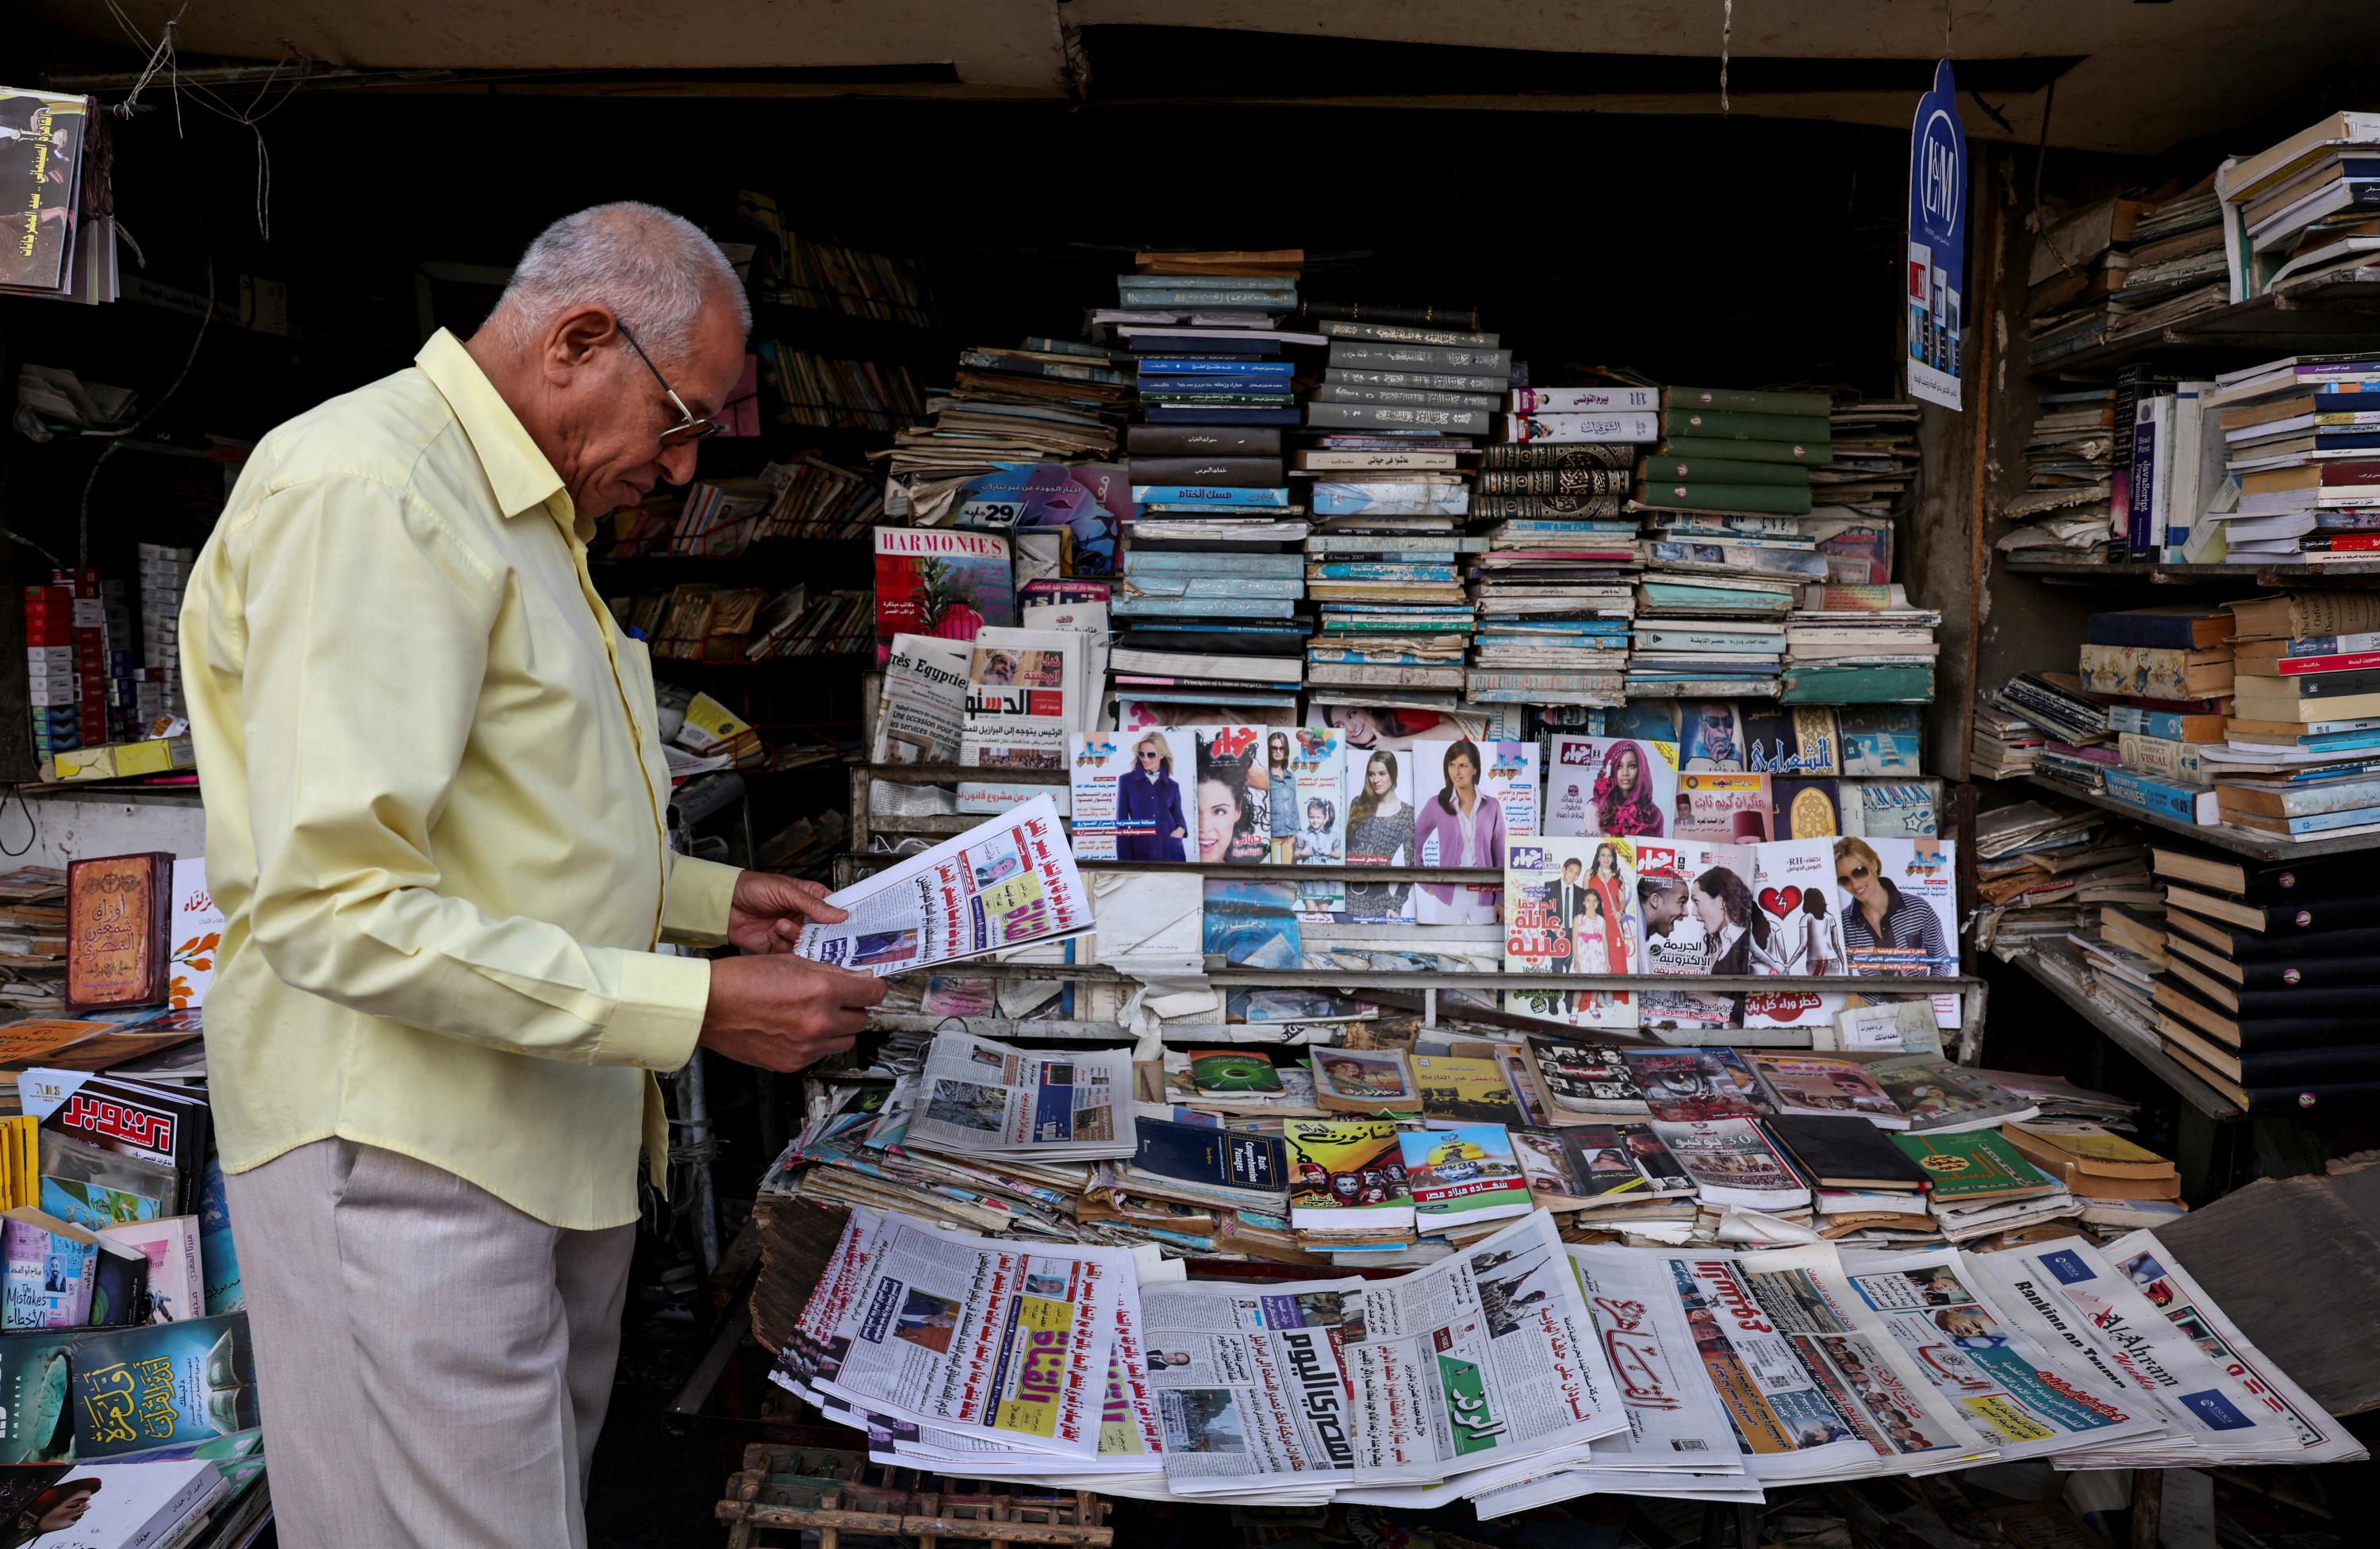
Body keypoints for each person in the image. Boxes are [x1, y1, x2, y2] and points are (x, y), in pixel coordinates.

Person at [179, 203, 889, 1548]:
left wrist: (699, 901)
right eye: (679, 419)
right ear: (577, 339)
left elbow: (499, 810)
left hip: (520, 1133)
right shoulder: (369, 493)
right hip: (405, 1144)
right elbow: (337, 909)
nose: (680, 471)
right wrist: (693, 1009)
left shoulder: (518, 503)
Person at [1414, 740, 1505, 923]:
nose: (1456, 772)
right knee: (1448, 951)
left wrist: (1501, 900)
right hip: (1450, 897)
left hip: (1485, 897)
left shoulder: (1492, 806)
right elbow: (1412, 842)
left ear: (1475, 769)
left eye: (1463, 765)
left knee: (1484, 951)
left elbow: (1500, 855)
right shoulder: (1437, 804)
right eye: (1452, 765)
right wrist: (1426, 884)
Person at [1834, 837, 1952, 977]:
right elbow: (1843, 976)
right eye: (1844, 880)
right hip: (1869, 999)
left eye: (1859, 872)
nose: (1855, 885)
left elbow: (1942, 963)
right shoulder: (1844, 923)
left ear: (1874, 864)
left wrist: (1922, 993)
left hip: (1920, 998)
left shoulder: (1919, 908)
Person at [1344, 750, 1414, 918]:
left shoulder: (1407, 814)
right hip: (1345, 902)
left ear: (1393, 774)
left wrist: (1396, 905)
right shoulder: (1358, 804)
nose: (1376, 780)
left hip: (1379, 905)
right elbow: (1345, 849)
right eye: (1371, 774)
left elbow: (1412, 865)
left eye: (1382, 774)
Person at [1195, 735, 1270, 864]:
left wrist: (1247, 767)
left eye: (1219, 811)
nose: (1204, 827)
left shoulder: (1262, 862)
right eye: (1195, 810)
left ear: (1238, 810)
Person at [1115, 732, 1188, 862]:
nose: (1145, 759)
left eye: (1151, 754)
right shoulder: (1126, 781)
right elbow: (1122, 824)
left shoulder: (1173, 786)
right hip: (1139, 851)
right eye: (1141, 754)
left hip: (1170, 850)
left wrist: (1180, 830)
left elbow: (1179, 817)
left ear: (1162, 755)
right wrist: (1124, 862)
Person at [1692, 866, 1771, 975]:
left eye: (1696, 902)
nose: (1693, 912)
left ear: (1721, 901)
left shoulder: (1745, 942)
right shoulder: (1722, 944)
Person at [1591, 739, 1664, 837]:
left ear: (1641, 769)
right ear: (1612, 770)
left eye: (1632, 766)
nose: (1625, 773)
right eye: (1619, 767)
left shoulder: (1654, 815)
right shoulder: (1596, 808)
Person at [1585, 843, 1634, 973]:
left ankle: (1618, 990)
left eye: (1609, 856)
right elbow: (1583, 898)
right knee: (1596, 960)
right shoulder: (1590, 874)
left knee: (1616, 960)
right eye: (1603, 855)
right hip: (1594, 921)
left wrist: (1620, 912)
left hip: (1613, 921)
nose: (1606, 859)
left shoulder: (1619, 878)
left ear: (1613, 859)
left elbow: (1622, 900)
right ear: (1598, 857)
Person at [1266, 732, 1299, 862]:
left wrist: (1299, 833)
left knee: (1289, 875)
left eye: (1281, 748)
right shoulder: (1264, 777)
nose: (1278, 752)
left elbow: (1294, 806)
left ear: (1286, 750)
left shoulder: (1291, 777)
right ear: (1269, 750)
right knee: (1273, 875)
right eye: (1274, 748)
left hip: (1291, 834)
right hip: (1273, 835)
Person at [1295, 796, 1342, 863]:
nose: (1315, 820)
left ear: (1325, 817)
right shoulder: (1302, 835)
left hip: (1327, 872)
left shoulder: (1333, 835)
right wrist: (1301, 854)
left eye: (1318, 817)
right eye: (1311, 817)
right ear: (1308, 816)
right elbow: (1295, 855)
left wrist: (1330, 853)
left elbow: (1338, 855)